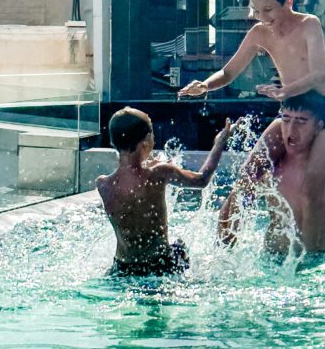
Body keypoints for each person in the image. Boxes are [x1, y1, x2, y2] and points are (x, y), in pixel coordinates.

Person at [179, 0, 325, 188]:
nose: (262, 17)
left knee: (311, 181)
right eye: (255, 10)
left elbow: (319, 75)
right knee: (249, 174)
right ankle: (240, 221)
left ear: (288, 0)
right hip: (293, 110)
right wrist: (205, 85)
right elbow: (228, 73)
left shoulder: (309, 24)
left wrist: (285, 91)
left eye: (268, 10)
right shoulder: (259, 33)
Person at [218, 92, 325, 254]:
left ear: (319, 126)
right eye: (286, 119)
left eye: (301, 121)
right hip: (276, 261)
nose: (291, 129)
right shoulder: (271, 161)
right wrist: (225, 253)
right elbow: (237, 196)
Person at [97, 106, 233, 276]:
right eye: (152, 133)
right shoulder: (160, 173)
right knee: (180, 248)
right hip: (161, 265)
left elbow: (129, 168)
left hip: (123, 268)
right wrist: (219, 143)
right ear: (146, 141)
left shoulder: (103, 185)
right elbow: (202, 179)